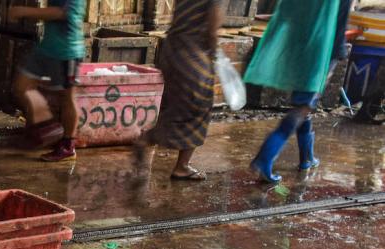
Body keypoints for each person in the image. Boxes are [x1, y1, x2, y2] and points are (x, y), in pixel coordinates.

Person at [245, 0, 351, 183]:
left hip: (299, 44)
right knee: (304, 107)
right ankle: (266, 156)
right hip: (322, 48)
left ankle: (307, 158)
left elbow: (287, 11)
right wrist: (339, 53)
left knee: (305, 103)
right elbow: (340, 22)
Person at [134, 0, 225, 181]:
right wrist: (216, 56)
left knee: (174, 106)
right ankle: (180, 166)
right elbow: (212, 30)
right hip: (192, 56)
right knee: (199, 108)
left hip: (171, 51)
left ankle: (147, 140)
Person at [8, 0, 86, 162]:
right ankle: (47, 125)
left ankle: (67, 145)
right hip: (46, 49)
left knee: (67, 97)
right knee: (22, 86)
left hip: (67, 50)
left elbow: (61, 13)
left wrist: (24, 11)